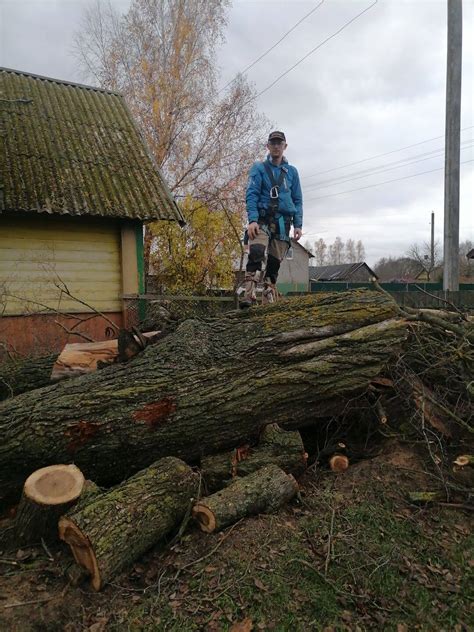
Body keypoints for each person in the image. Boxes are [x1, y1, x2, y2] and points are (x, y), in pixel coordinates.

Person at [240, 130, 303, 307]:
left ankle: (269, 301)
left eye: (279, 143)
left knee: (274, 263)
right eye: (273, 143)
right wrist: (252, 219)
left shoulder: (292, 172)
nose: (276, 146)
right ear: (268, 146)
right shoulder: (259, 168)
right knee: (257, 252)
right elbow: (251, 194)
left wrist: (298, 224)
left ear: (285, 146)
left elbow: (297, 199)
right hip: (261, 219)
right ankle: (249, 296)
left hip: (283, 223)